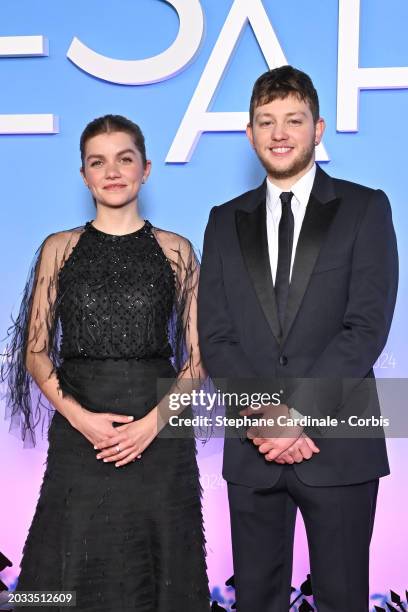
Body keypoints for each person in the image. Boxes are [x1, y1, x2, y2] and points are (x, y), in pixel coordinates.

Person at [198, 66, 398, 611]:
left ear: (319, 128)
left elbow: (366, 326)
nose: (279, 132)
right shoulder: (222, 221)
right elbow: (214, 335)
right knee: (256, 600)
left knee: (341, 598)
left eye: (293, 120)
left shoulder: (365, 208)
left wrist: (299, 415)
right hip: (252, 447)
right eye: (266, 121)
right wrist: (264, 417)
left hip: (338, 446)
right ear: (250, 133)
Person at [3, 115, 210, 611]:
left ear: (146, 169)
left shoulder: (177, 250)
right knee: (65, 562)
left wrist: (150, 427)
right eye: (99, 161)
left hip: (159, 439)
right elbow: (34, 352)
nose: (113, 171)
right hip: (80, 434)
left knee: (163, 570)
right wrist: (82, 421)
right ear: (84, 176)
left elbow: (198, 359)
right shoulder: (60, 248)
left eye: (125, 158)